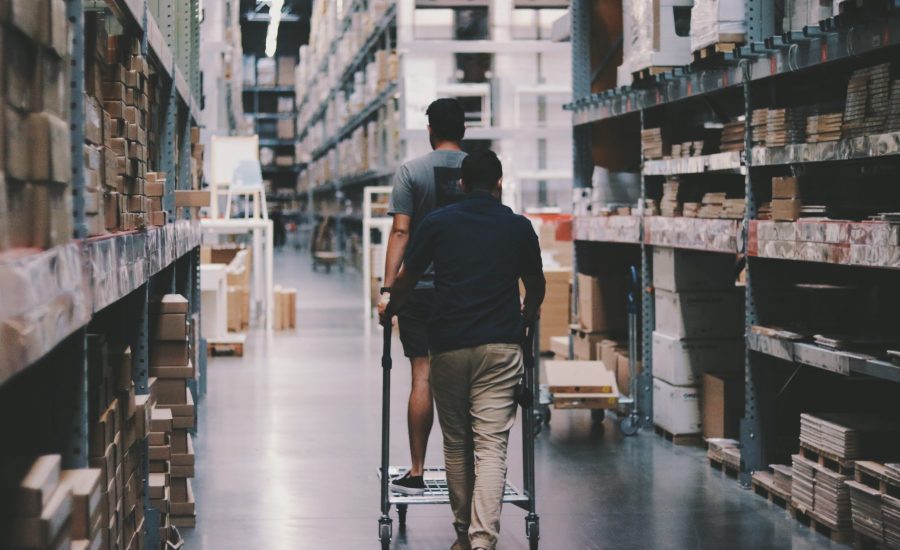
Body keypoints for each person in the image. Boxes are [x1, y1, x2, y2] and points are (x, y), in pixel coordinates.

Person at [381, 150, 546, 550]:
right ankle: (482, 541)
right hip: (501, 346)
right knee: (491, 446)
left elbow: (408, 277)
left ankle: (461, 535)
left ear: (460, 185)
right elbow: (536, 283)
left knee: (457, 444)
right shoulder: (519, 227)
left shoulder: (437, 223)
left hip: (449, 345)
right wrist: (527, 315)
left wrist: (391, 306)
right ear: (499, 183)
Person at [378, 98, 469, 495]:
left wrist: (387, 289)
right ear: (463, 130)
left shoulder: (411, 172)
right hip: (465, 289)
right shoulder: (480, 170)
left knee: (422, 375)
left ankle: (416, 472)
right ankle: (465, 471)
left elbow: (401, 232)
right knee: (466, 378)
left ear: (430, 129)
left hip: (419, 290)